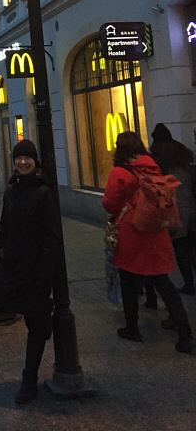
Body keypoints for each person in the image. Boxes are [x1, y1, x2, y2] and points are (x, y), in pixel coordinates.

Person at [0, 140, 60, 404]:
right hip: (13, 265)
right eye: (18, 158)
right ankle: (29, 378)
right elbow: (7, 230)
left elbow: (51, 240)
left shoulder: (44, 193)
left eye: (27, 158)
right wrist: (1, 255)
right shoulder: (12, 191)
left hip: (35, 270)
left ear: (35, 161)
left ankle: (29, 380)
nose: (22, 162)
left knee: (36, 325)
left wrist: (43, 277)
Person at [102, 131, 194, 354]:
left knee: (128, 279)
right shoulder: (152, 165)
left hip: (131, 232)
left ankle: (132, 328)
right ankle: (186, 334)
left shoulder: (120, 171)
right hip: (155, 231)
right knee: (164, 282)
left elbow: (109, 203)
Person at [150, 123, 196, 295]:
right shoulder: (182, 153)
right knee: (192, 245)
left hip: (176, 210)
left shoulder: (160, 160)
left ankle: (189, 283)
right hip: (191, 206)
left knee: (181, 247)